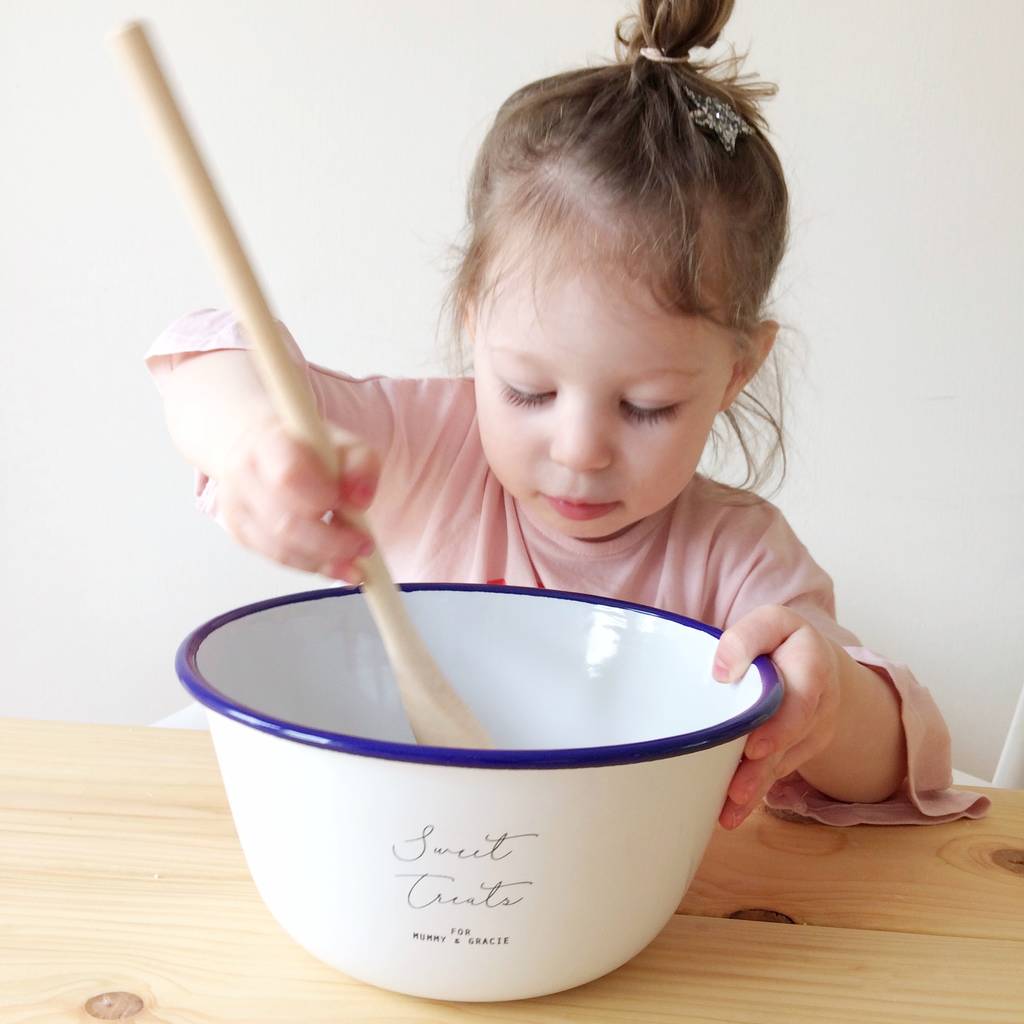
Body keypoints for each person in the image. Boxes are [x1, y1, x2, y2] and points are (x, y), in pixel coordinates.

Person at [145, 0, 988, 829]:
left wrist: (829, 702)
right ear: (473, 320)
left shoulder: (735, 559)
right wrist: (252, 438)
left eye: (647, 406)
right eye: (529, 392)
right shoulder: (424, 450)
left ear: (738, 370)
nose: (580, 450)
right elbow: (206, 351)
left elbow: (909, 762)